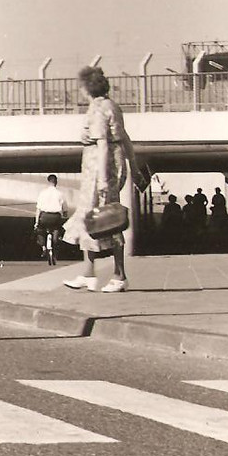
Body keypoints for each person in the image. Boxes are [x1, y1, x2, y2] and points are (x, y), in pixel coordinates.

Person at [62, 66, 139, 292]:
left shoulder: (97, 109)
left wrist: (103, 180)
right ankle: (89, 273)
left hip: (98, 170)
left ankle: (118, 275)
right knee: (96, 218)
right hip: (109, 167)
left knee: (106, 219)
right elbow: (125, 140)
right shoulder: (112, 106)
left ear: (88, 88)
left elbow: (103, 144)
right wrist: (133, 166)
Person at [34, 174, 68, 250]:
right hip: (56, 217)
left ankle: (43, 246)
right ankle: (57, 240)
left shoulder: (42, 193)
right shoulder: (60, 194)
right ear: (56, 182)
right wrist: (64, 214)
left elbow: (38, 209)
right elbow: (65, 210)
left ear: (48, 181)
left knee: (39, 229)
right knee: (58, 228)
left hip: (44, 216)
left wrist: (36, 222)